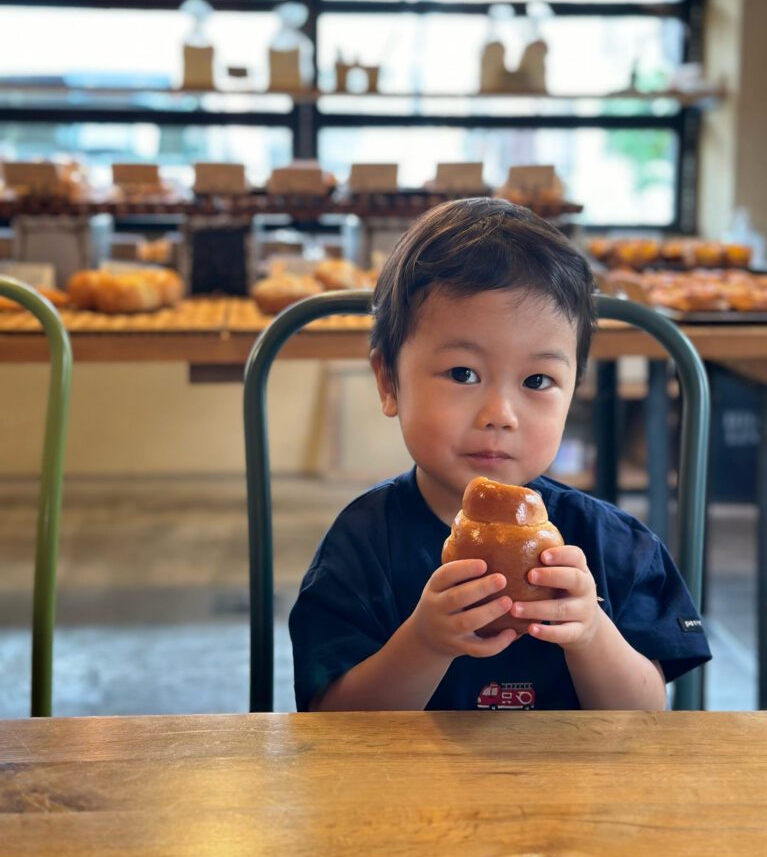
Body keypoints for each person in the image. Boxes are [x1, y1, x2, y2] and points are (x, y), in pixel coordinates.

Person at [289, 197, 711, 711]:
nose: (500, 413)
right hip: (409, 790)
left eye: (537, 380)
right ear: (388, 381)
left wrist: (590, 632)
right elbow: (331, 722)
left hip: (569, 788)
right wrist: (423, 644)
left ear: (573, 390)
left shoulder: (613, 548)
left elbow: (645, 718)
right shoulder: (362, 544)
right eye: (463, 374)